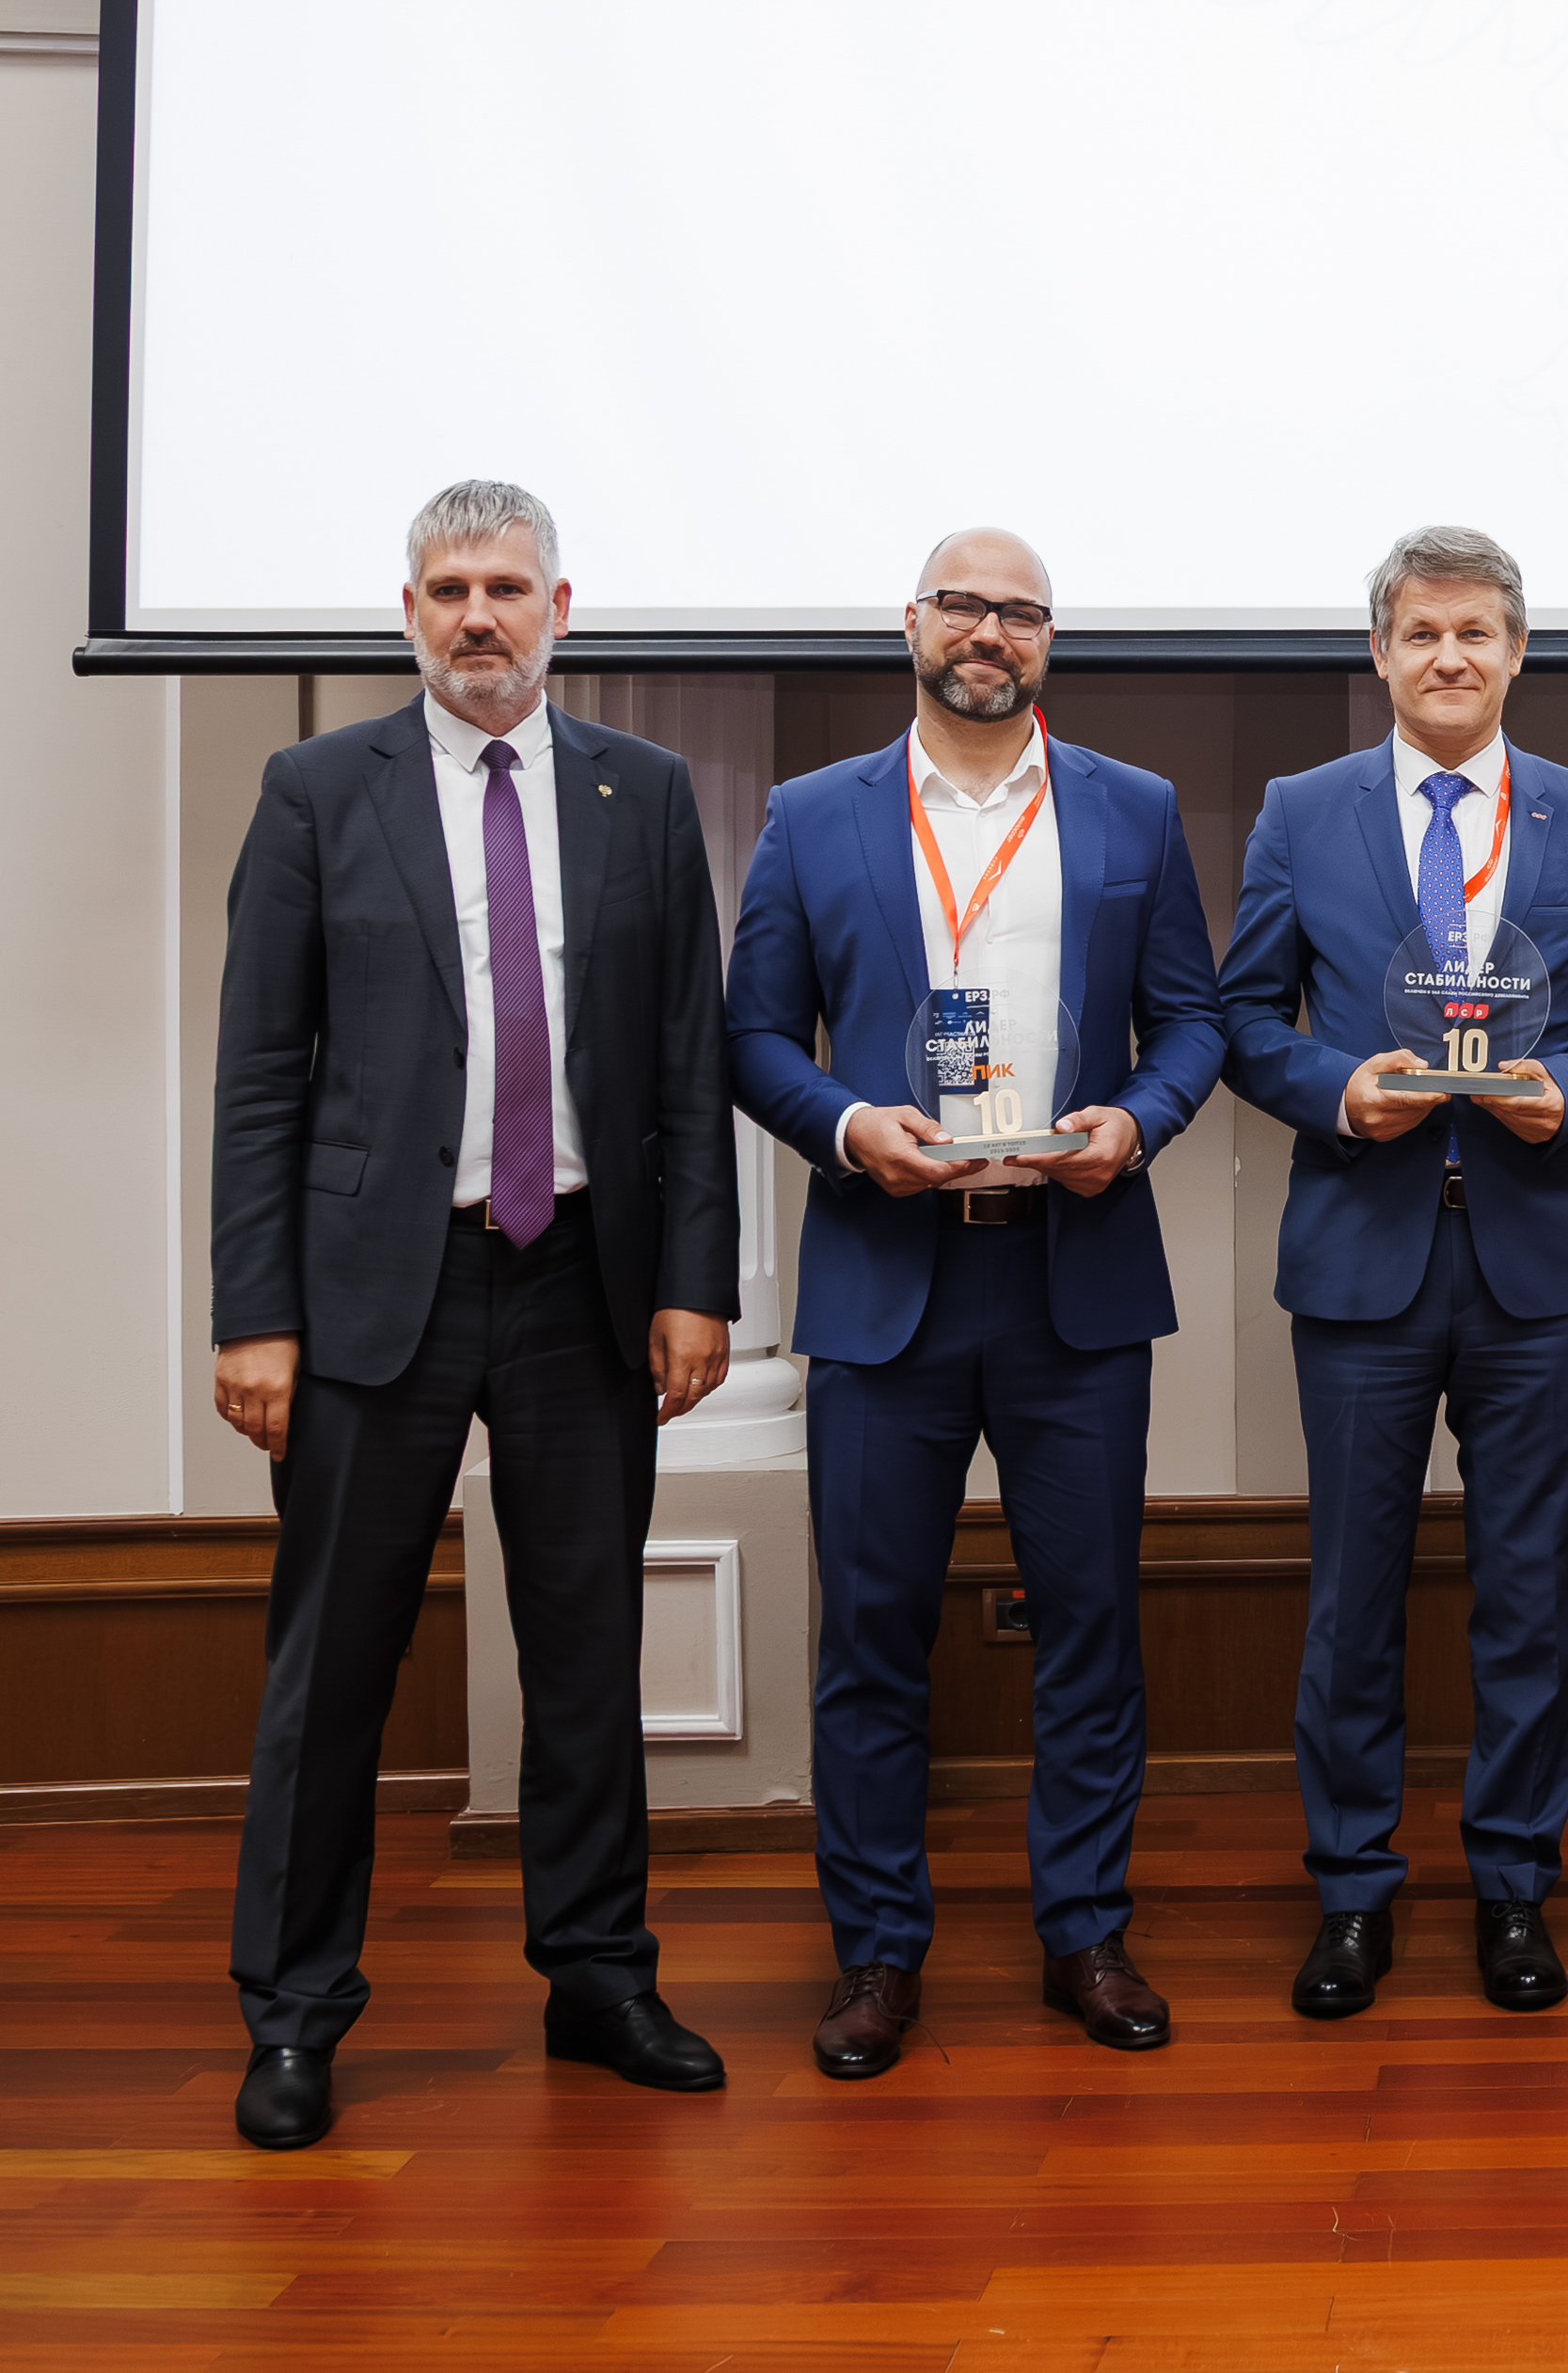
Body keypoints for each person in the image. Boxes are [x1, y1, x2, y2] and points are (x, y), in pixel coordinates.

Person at [211, 481, 738, 2149]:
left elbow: (687, 1064)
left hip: (584, 1276)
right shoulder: (316, 791)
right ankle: (295, 2013)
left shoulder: (644, 792)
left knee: (584, 1654)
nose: (476, 617)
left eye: (506, 587)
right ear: (410, 612)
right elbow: (259, 1075)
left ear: (559, 609)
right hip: (380, 1290)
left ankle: (598, 1977)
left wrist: (695, 1283)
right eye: (447, 590)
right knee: (334, 1666)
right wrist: (254, 1311)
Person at [725, 530, 1227, 2080]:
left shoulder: (1134, 810)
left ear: (1048, 642)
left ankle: (1086, 1934)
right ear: (912, 623)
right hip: (887, 1277)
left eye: (1019, 612)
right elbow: (755, 1036)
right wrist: (844, 1127)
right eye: (963, 604)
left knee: (1092, 1628)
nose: (988, 631)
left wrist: (1135, 1120)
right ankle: (879, 1951)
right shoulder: (812, 815)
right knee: (873, 1636)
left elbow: (1192, 1021)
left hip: (1075, 1272)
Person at [1220, 526, 1568, 2019]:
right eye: (1421, 633)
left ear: (1517, 651)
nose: (1449, 657)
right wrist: (1335, 1089)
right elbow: (1243, 1019)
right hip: (1360, 1253)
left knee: (1524, 1595)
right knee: (1352, 1598)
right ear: (1381, 653)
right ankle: (1353, 1892)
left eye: (1476, 632)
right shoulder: (1303, 810)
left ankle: (1513, 1886)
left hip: (1532, 1260)